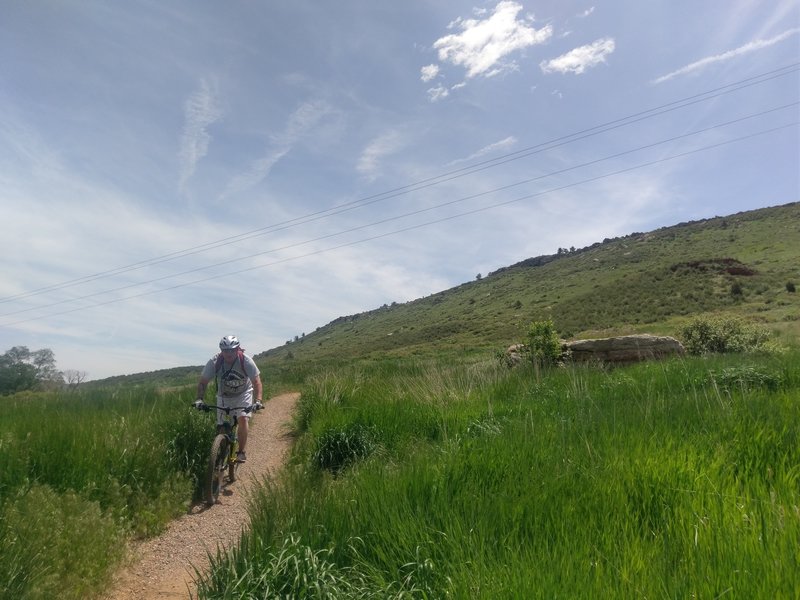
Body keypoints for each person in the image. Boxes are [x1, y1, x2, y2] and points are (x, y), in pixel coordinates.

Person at [196, 335, 263, 463]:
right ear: (221, 350)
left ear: (238, 349)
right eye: (225, 350)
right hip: (224, 395)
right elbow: (202, 382)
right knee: (221, 427)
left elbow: (257, 382)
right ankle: (219, 455)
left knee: (243, 418)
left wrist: (258, 400)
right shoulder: (215, 361)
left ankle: (241, 452)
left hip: (243, 393)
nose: (229, 353)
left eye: (232, 350)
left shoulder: (246, 361)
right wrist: (199, 399)